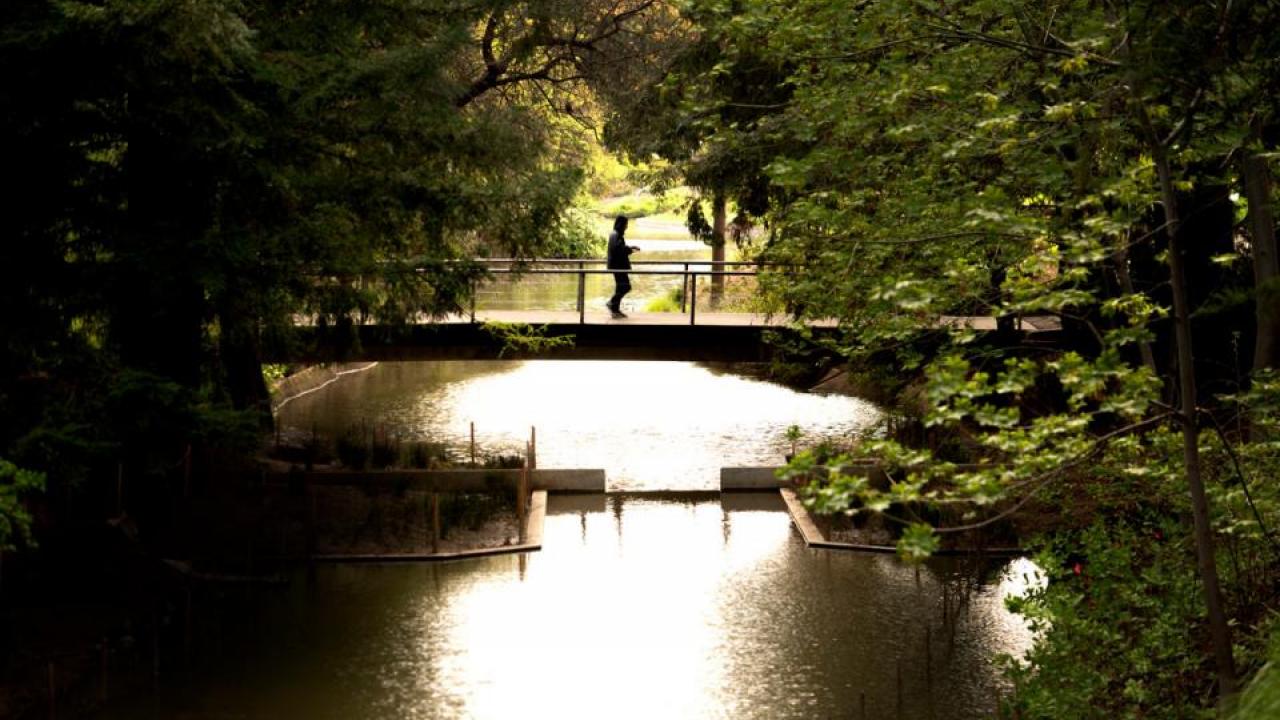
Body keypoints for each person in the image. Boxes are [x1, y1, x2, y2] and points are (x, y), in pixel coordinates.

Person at [606, 215, 639, 318]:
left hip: (618, 266)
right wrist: (629, 250)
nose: (626, 227)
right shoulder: (615, 235)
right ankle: (612, 303)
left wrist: (630, 248)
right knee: (625, 286)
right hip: (618, 266)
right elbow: (618, 249)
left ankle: (615, 310)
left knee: (621, 287)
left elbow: (619, 247)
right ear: (621, 224)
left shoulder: (616, 235)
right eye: (625, 224)